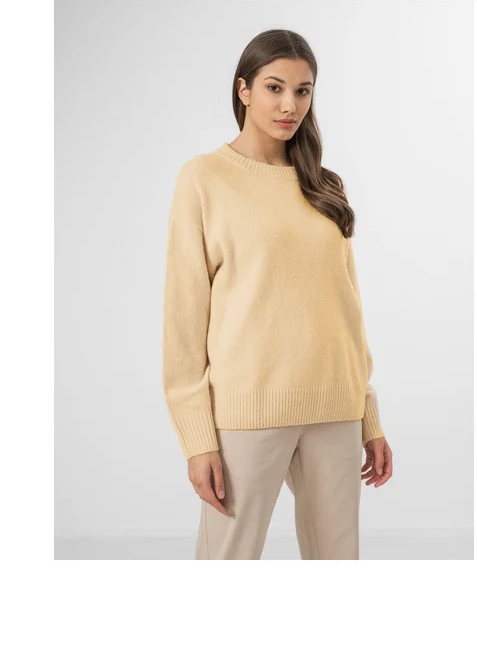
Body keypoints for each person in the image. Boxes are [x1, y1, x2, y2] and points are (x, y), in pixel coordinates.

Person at [162, 28, 393, 560]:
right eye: (274, 87)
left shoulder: (325, 184)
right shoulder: (204, 179)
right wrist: (197, 439)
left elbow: (346, 310)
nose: (290, 105)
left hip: (335, 406)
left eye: (303, 91)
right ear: (243, 89)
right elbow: (183, 319)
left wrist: (368, 416)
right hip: (248, 410)